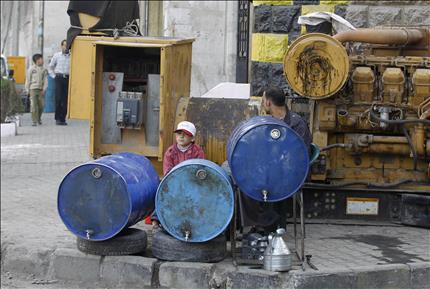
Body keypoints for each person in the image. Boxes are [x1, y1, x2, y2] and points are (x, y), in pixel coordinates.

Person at [235, 87, 312, 236]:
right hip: (268, 170)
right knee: (243, 181)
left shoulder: (296, 124)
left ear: (268, 103)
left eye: (263, 100)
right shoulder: (266, 122)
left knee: (266, 182)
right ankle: (260, 224)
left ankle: (265, 226)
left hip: (290, 174)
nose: (263, 103)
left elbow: (301, 155)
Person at [152, 121, 205, 227]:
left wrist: (192, 181)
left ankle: (197, 220)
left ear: (192, 138)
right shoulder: (170, 152)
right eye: (179, 133)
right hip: (174, 181)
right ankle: (157, 218)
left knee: (198, 196)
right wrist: (176, 181)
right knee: (164, 193)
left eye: (185, 134)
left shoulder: (197, 151)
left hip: (192, 182)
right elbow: (167, 171)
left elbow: (200, 169)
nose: (181, 136)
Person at [48, 39, 70, 125]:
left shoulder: (72, 56)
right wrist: (54, 77)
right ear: (61, 46)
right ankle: (57, 118)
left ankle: (63, 118)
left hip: (68, 78)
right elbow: (50, 67)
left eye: (67, 45)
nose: (66, 47)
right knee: (58, 98)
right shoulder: (57, 55)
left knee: (66, 100)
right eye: (64, 45)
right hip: (59, 78)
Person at [25, 54, 48, 126]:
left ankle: (38, 118)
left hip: (40, 89)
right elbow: (28, 79)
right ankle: (34, 121)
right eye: (41, 59)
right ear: (37, 60)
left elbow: (45, 80)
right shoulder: (31, 69)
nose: (43, 60)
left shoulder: (44, 70)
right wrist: (27, 90)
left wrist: (44, 89)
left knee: (41, 105)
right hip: (33, 89)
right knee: (33, 105)